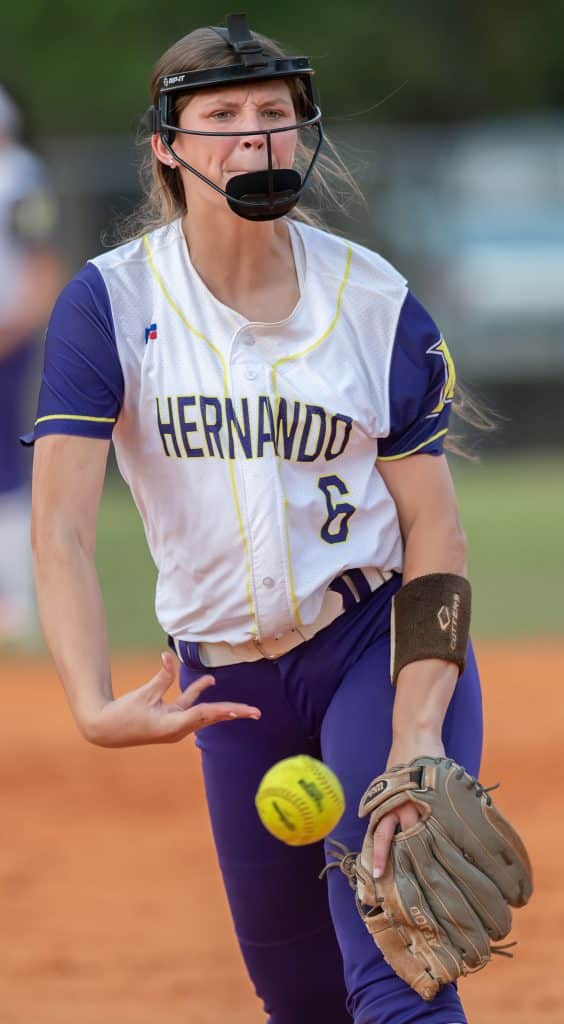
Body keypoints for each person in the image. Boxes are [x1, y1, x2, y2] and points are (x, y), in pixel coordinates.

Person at [25, 15, 483, 1024]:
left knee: (398, 964)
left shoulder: (373, 300)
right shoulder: (111, 303)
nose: (253, 137)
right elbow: (57, 529)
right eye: (221, 115)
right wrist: (93, 702)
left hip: (373, 640)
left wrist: (417, 727)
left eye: (273, 114)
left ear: (302, 133)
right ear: (166, 146)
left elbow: (435, 531)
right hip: (228, 689)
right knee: (302, 999)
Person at [0, 84, 62, 645]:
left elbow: (41, 258)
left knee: (5, 463)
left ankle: (13, 605)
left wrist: (21, 323)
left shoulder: (19, 176)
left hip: (5, 335)